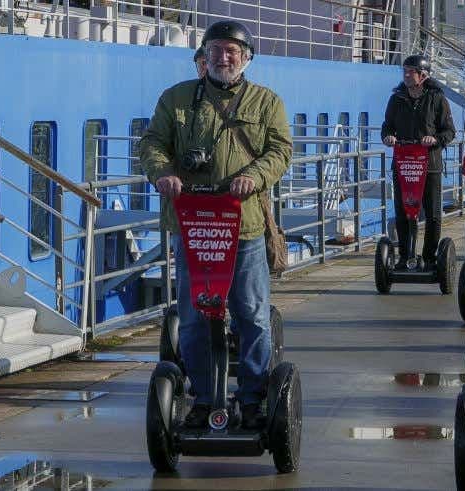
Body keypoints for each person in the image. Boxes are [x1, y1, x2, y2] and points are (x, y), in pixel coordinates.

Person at [141, 20, 293, 430]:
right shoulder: (176, 99)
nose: (223, 58)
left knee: (252, 315)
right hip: (192, 227)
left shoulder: (266, 102)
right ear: (204, 56)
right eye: (215, 50)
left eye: (231, 51)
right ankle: (205, 398)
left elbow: (281, 151)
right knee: (193, 317)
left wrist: (255, 176)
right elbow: (152, 143)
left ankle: (253, 398)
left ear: (246, 58)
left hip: (244, 227)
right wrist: (163, 173)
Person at [380, 54, 457, 270]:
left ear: (423, 75)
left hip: (429, 165)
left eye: (410, 72)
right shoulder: (397, 99)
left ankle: (430, 258)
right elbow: (387, 126)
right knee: (403, 212)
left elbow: (449, 131)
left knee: (432, 214)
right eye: (404, 71)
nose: (406, 75)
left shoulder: (437, 98)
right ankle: (405, 257)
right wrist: (388, 137)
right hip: (403, 165)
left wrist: (435, 140)